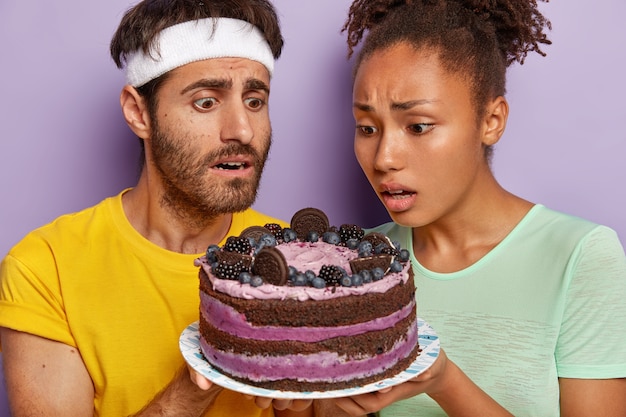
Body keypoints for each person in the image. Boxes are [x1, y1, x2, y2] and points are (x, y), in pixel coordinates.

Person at [0, 1, 311, 416]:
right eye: (206, 101)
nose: (241, 129)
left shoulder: (296, 259)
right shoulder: (45, 268)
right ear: (138, 112)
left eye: (255, 100)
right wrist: (201, 376)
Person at [323, 0, 626, 416]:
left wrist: (445, 382)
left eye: (418, 126)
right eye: (367, 128)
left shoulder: (579, 256)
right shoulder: (359, 261)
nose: (384, 158)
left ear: (491, 120)